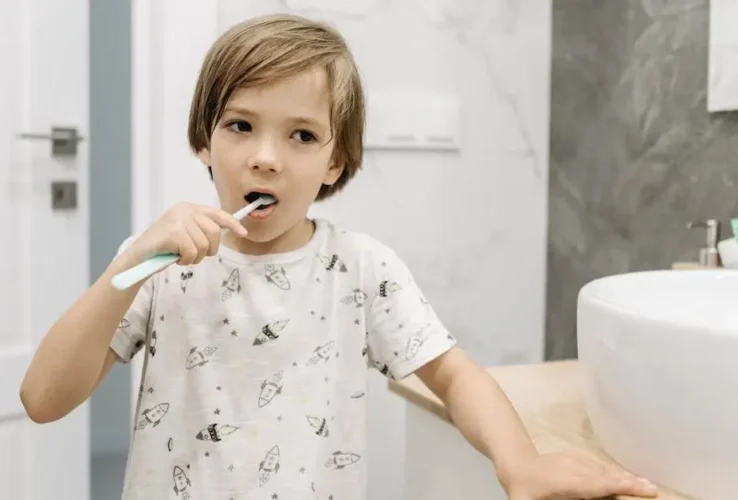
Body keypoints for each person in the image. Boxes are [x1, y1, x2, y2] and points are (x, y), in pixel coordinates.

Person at [19, 13, 659, 500]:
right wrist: (125, 267)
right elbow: (43, 398)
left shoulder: (362, 270)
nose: (266, 155)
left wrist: (518, 462)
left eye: (300, 135)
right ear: (203, 142)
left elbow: (456, 377)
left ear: (335, 163)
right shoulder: (155, 268)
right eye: (241, 125)